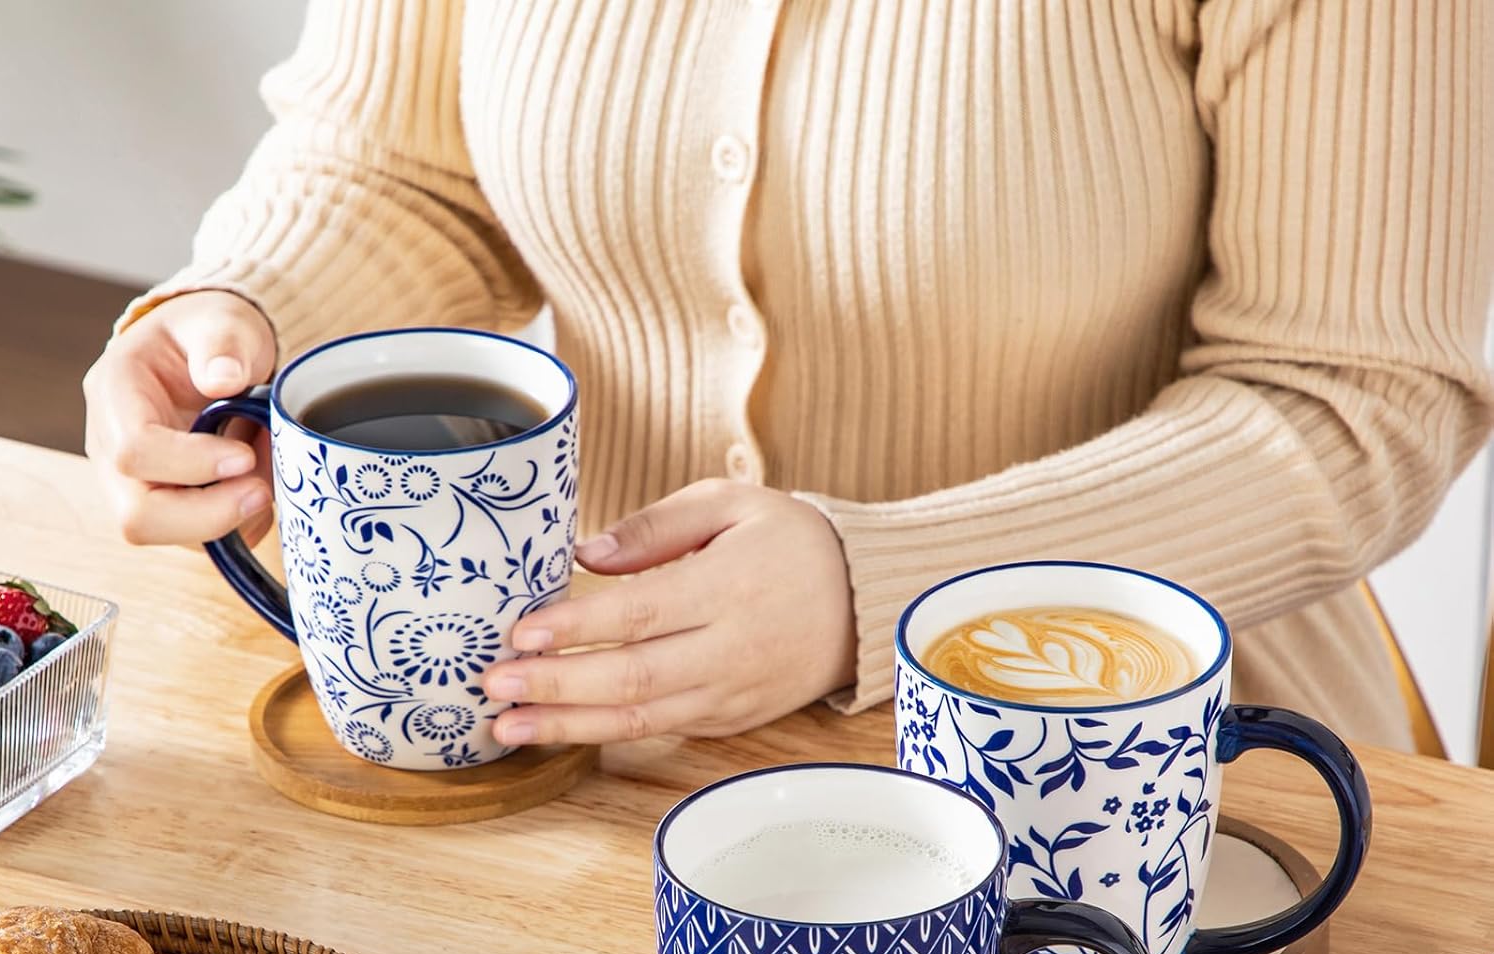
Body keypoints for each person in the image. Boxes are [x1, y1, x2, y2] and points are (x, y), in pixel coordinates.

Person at [84, 0, 1493, 752]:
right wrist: (242, 314)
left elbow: (1354, 394)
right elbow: (404, 165)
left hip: (1141, 786)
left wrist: (875, 590)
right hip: (584, 739)